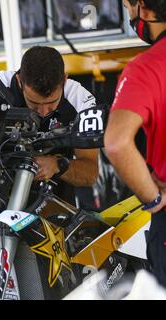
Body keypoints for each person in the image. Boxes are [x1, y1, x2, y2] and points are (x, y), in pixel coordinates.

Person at [104, 0, 166, 287]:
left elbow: (116, 143)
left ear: (144, 7)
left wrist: (153, 199)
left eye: (128, 6)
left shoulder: (147, 67)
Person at [0, 46, 99, 205]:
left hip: (53, 210)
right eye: (34, 103)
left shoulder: (81, 100)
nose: (43, 112)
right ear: (19, 81)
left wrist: (58, 165)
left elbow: (90, 173)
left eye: (52, 103)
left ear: (65, 80)